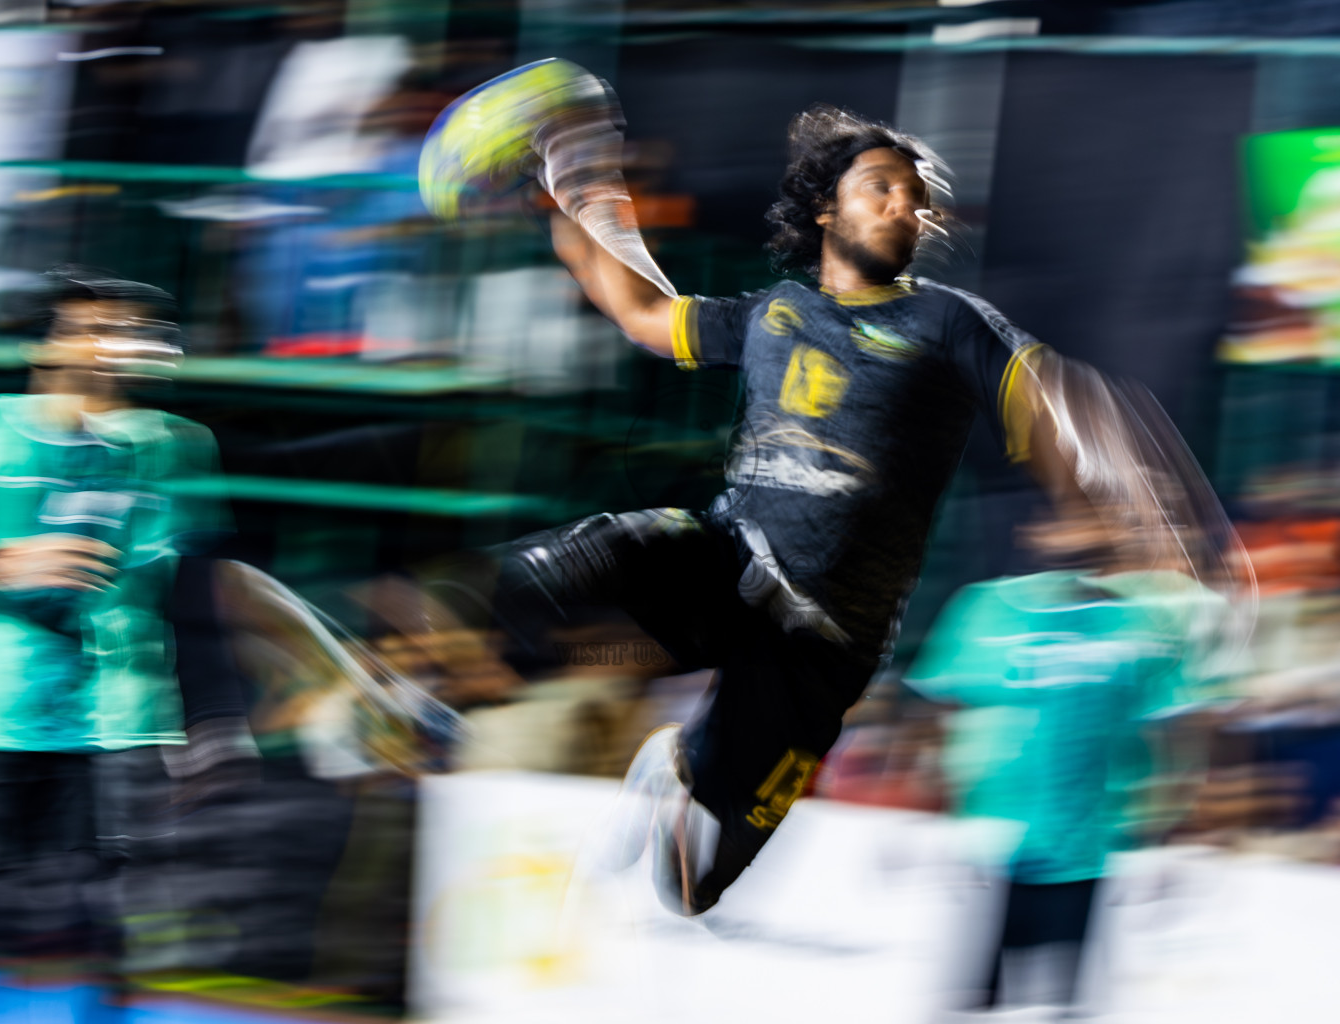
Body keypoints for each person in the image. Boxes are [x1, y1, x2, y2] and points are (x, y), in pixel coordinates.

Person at [497, 103, 1213, 917]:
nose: (905, 206)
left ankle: (686, 765)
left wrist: (1125, 510)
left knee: (693, 885)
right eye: (881, 187)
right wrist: (574, 193)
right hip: (737, 568)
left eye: (915, 196)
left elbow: (1055, 408)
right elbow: (640, 312)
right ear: (827, 210)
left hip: (831, 642)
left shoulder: (948, 322)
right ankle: (440, 657)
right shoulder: (773, 314)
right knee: (580, 582)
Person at [0, 266, 244, 963]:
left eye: (126, 332)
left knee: (91, 940)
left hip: (114, 728)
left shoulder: (176, 445)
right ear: (43, 346)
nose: (110, 347)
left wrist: (215, 720)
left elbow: (192, 590)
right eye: (91, 331)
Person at [907, 505, 1224, 1015]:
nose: (1087, 533)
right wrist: (932, 804)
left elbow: (1176, 723)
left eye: (1101, 521)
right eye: (1071, 519)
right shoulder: (988, 608)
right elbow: (942, 705)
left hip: (1089, 840)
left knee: (1060, 997)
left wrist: (1174, 822)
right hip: (994, 837)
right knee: (976, 992)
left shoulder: (1143, 623)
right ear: (1034, 529)